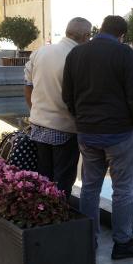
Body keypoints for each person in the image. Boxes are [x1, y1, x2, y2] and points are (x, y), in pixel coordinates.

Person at [62, 15, 133, 260]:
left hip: (87, 133)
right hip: (119, 133)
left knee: (89, 187)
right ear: (122, 35)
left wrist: (81, 120)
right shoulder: (124, 53)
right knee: (122, 190)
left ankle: (88, 241)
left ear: (100, 29)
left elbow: (67, 95)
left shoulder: (76, 54)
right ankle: (122, 243)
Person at [24, 17, 92, 199]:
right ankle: (60, 218)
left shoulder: (40, 52)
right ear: (86, 36)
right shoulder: (79, 58)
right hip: (65, 128)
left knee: (44, 178)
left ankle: (44, 216)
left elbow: (28, 86)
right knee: (63, 182)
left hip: (38, 126)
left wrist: (35, 110)